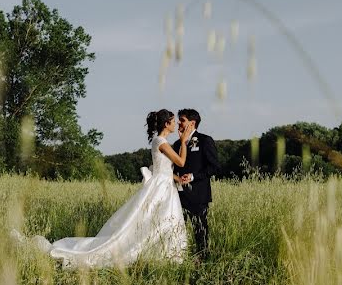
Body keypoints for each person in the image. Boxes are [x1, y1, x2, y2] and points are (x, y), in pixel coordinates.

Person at [13, 110, 194, 268]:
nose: (176, 124)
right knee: (151, 221)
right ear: (166, 123)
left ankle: (164, 254)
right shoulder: (160, 141)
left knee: (161, 222)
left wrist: (179, 178)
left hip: (164, 186)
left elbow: (162, 169)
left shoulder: (161, 142)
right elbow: (181, 162)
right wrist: (184, 141)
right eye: (172, 120)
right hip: (160, 188)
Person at [171, 108, 220, 260]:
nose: (179, 123)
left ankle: (203, 260)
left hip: (198, 195)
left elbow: (214, 167)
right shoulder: (176, 143)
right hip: (178, 195)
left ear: (192, 123)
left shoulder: (205, 140)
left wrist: (193, 176)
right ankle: (179, 258)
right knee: (178, 231)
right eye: (178, 120)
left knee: (200, 231)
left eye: (182, 120)